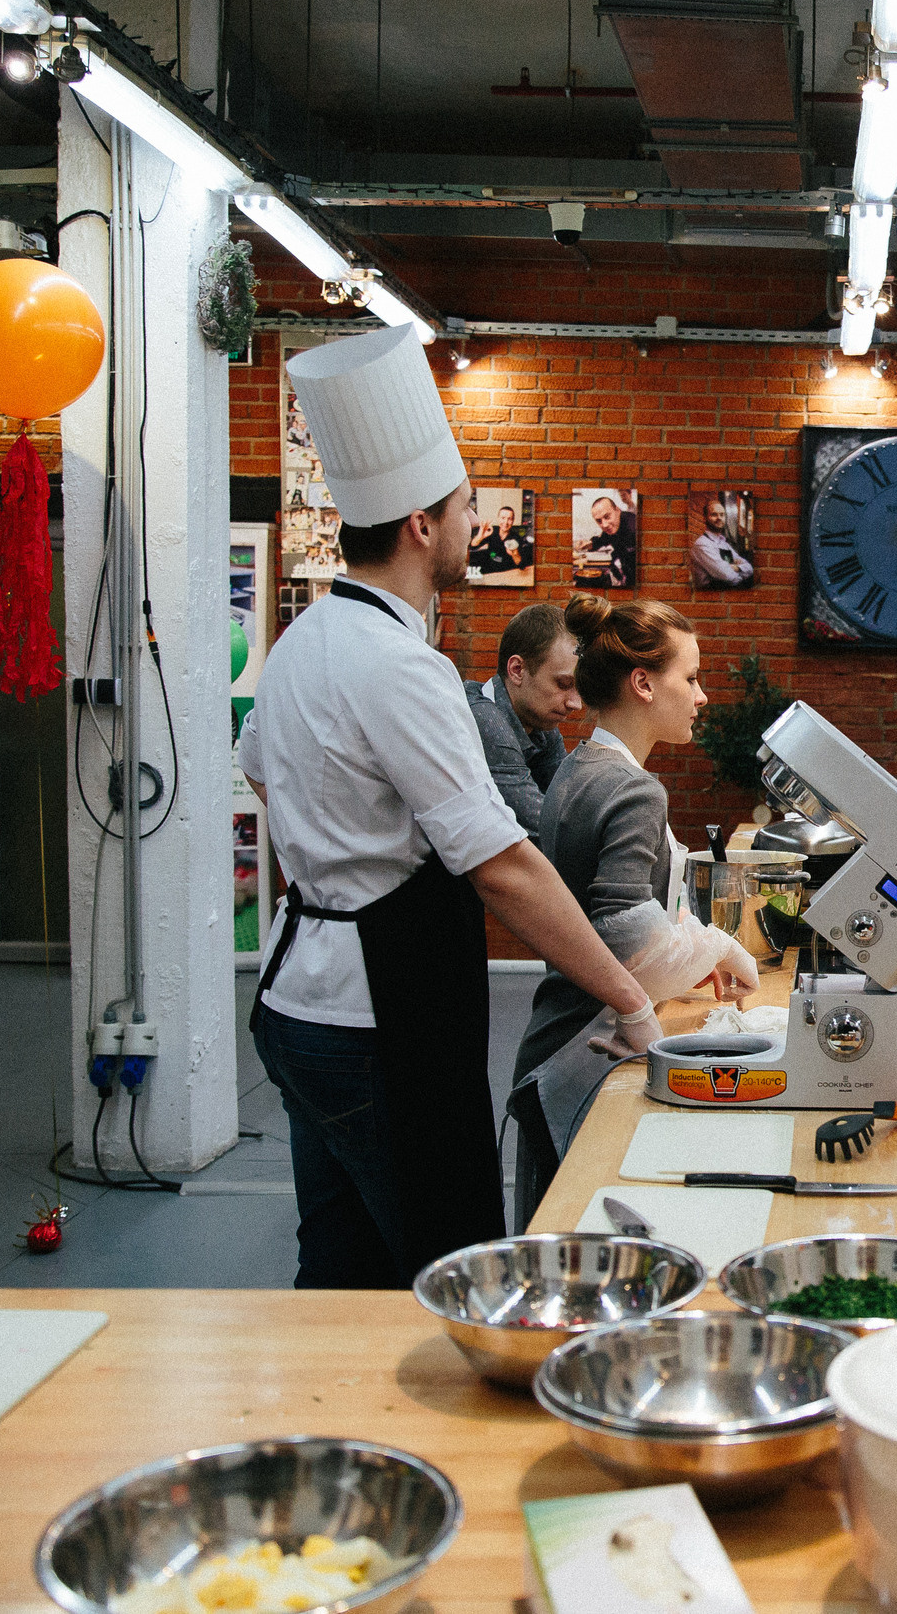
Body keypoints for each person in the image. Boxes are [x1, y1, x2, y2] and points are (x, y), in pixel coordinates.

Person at [244, 323, 660, 1290]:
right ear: (422, 525)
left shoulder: (306, 638)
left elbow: (263, 772)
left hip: (295, 995)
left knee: (341, 1268)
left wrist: (337, 855)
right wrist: (630, 995)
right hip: (374, 1014)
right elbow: (501, 865)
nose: (478, 525)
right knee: (453, 1270)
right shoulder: (404, 665)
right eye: (468, 508)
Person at [511, 593, 759, 1216]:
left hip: (555, 1039)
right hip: (588, 1057)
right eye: (692, 677)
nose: (702, 696)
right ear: (644, 683)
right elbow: (629, 939)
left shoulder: (577, 767)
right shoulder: (633, 788)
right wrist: (724, 947)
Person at [470, 602, 580, 837]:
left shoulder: (539, 718)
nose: (575, 703)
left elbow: (569, 802)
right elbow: (545, 827)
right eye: (563, 684)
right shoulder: (485, 719)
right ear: (517, 670)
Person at [689, 494, 755, 588]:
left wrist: (736, 567)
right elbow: (728, 577)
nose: (719, 518)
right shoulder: (702, 544)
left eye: (722, 515)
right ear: (705, 518)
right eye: (714, 514)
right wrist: (738, 571)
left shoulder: (724, 544)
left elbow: (749, 568)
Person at [581, 492, 637, 589]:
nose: (604, 525)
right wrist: (588, 544)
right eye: (599, 521)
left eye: (607, 517)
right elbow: (600, 540)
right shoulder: (611, 528)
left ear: (617, 510)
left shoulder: (633, 526)